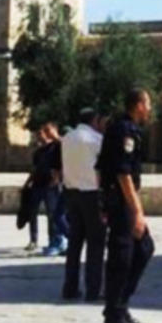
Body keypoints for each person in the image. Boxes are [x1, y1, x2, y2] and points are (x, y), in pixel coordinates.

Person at [97, 89, 156, 323]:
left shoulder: (122, 127)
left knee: (141, 250)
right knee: (123, 257)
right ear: (139, 105)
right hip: (121, 203)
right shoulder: (124, 130)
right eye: (148, 103)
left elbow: (102, 167)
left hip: (116, 200)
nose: (150, 109)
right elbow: (123, 174)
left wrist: (102, 200)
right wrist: (137, 212)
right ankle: (114, 315)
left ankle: (118, 308)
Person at [61, 107, 106, 301]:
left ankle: (70, 288)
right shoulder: (96, 141)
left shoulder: (67, 139)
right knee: (95, 245)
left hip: (72, 194)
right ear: (94, 120)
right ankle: (93, 290)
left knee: (74, 244)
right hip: (92, 195)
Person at [25, 122, 69, 256]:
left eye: (46, 131)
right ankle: (35, 239)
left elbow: (64, 146)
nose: (43, 135)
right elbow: (35, 169)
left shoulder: (56, 146)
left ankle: (56, 241)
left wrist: (55, 136)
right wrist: (28, 183)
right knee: (33, 213)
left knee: (53, 215)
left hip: (51, 186)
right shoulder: (39, 152)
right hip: (38, 185)